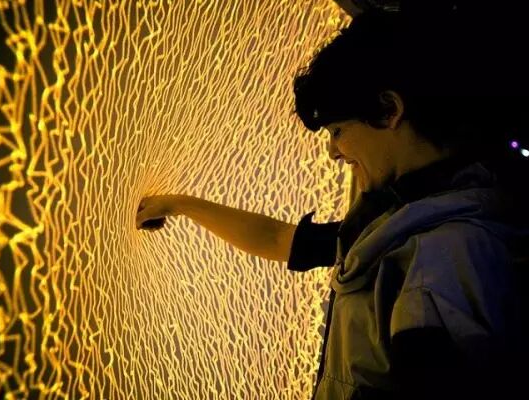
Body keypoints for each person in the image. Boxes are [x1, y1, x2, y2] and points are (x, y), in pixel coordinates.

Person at [136, 3, 529, 399]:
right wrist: (177, 205)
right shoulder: (402, 218)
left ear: (389, 110)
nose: (332, 152)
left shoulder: (443, 253)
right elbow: (279, 239)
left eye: (338, 130)